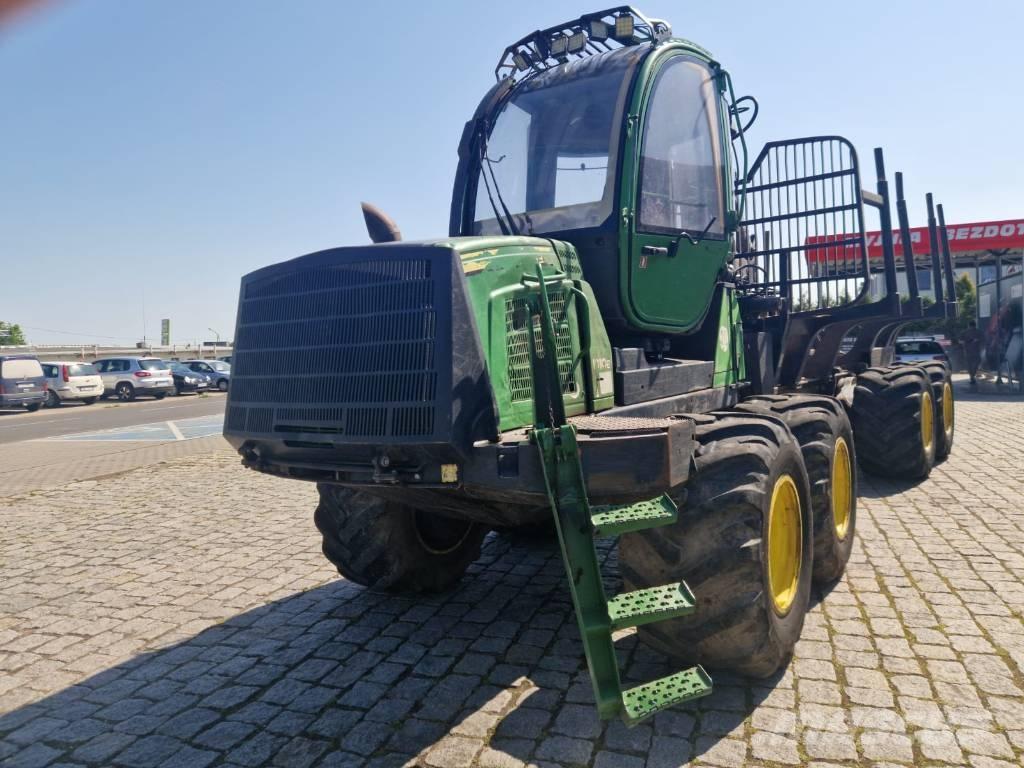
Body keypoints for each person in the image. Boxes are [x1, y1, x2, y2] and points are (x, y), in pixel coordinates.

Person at [962, 320, 982, 386]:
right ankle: (973, 375)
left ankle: (972, 376)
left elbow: (960, 340)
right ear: (975, 325)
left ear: (969, 325)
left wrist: (964, 344)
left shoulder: (965, 332)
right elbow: (984, 340)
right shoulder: (979, 332)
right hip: (976, 351)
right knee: (976, 363)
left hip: (968, 351)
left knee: (969, 365)